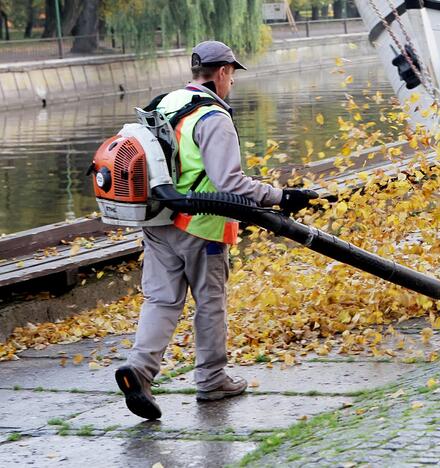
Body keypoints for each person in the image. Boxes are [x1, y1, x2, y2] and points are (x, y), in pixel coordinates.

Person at [115, 41, 318, 420]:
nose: (232, 83)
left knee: (161, 301)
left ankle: (139, 370)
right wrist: (280, 195)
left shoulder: (166, 102)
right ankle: (211, 380)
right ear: (223, 72)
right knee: (209, 302)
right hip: (201, 226)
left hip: (157, 221)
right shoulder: (213, 118)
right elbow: (231, 183)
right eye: (232, 75)